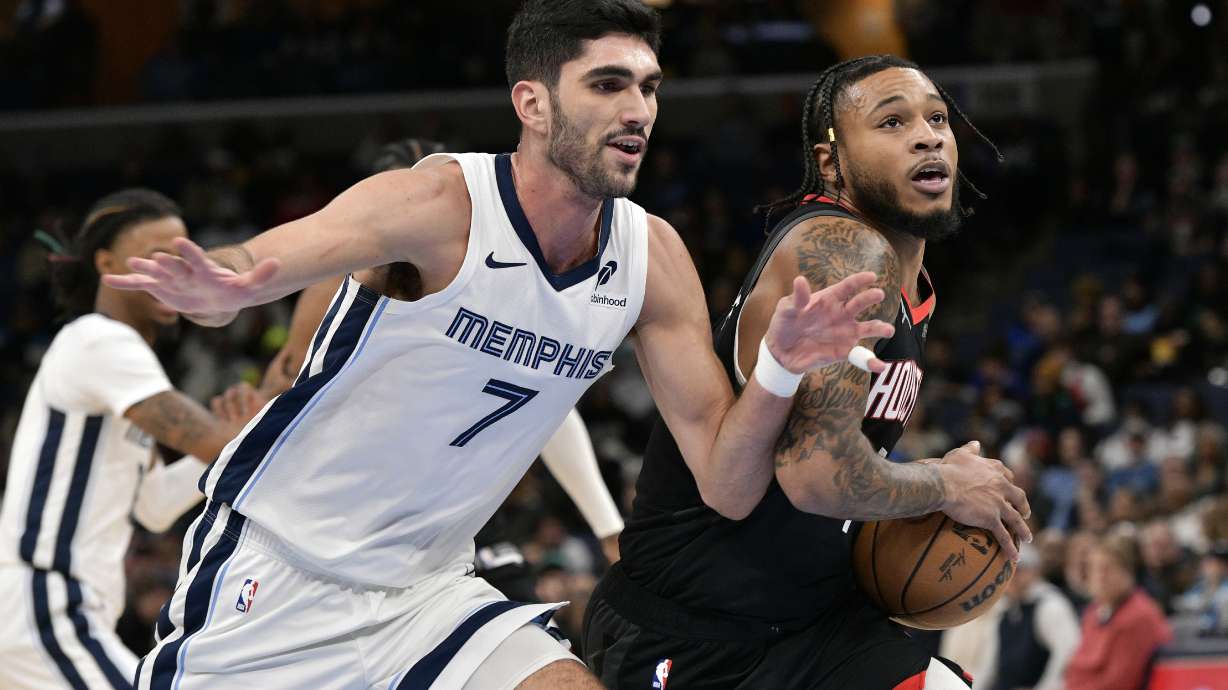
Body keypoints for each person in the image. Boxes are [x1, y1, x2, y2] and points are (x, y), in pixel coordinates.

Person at [105, 2, 897, 688]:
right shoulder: (439, 204)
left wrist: (778, 370)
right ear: (534, 103)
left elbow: (727, 483)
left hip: (431, 590)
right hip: (280, 565)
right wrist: (223, 287)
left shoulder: (650, 257)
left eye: (649, 87)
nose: (639, 110)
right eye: (608, 84)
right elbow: (271, 259)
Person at [582, 54, 1032, 690]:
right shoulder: (846, 249)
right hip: (696, 631)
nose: (928, 135)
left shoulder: (910, 284)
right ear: (831, 162)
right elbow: (816, 478)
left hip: (806, 620)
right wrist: (944, 484)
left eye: (937, 118)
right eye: (892, 122)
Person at [256, 137, 625, 598]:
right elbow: (284, 393)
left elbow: (546, 400)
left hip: (456, 516)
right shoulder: (336, 283)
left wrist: (607, 525)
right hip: (343, 513)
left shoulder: (498, 275)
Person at [0, 189, 258, 689]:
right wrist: (262, 417)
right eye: (158, 258)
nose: (175, 272)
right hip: (46, 601)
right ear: (106, 263)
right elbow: (208, 441)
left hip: (49, 606)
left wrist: (240, 431)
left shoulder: (118, 365)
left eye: (186, 259)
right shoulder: (101, 339)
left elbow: (152, 509)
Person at [1064, 534, 1172, 690]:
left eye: (1107, 569)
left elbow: (1118, 683)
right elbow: (1074, 669)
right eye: (1093, 569)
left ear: (1128, 572)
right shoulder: (1093, 613)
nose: (1099, 577)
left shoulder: (1139, 616)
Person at [978, 544, 1081, 690]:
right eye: (1006, 571)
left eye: (1018, 571)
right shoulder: (1005, 611)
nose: (1011, 577)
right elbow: (988, 666)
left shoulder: (1050, 606)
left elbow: (1068, 655)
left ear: (1035, 572)